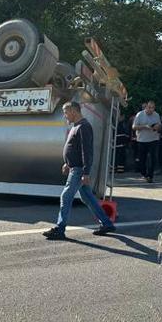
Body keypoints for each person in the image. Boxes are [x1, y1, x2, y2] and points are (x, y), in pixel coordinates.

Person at [43, 101, 117, 240]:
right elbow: (74, 149)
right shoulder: (76, 126)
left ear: (74, 111)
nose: (65, 116)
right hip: (75, 168)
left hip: (78, 171)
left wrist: (86, 172)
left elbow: (87, 152)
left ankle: (60, 229)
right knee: (87, 197)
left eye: (66, 113)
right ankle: (107, 223)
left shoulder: (84, 127)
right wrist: (67, 163)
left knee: (65, 196)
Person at [132, 100, 161, 182]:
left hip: (153, 139)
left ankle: (150, 176)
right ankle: (144, 174)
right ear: (146, 107)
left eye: (152, 108)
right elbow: (134, 127)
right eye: (149, 107)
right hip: (142, 140)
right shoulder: (140, 114)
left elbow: (159, 125)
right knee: (142, 159)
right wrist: (144, 126)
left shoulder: (156, 115)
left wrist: (157, 127)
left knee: (153, 158)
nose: (151, 110)